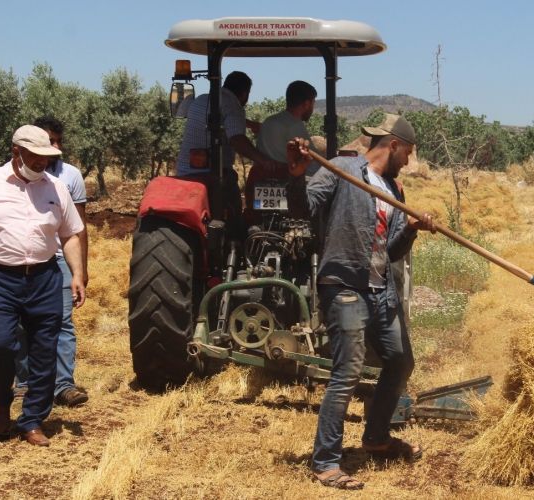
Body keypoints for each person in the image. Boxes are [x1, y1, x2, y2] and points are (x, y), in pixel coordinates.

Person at [286, 114, 436, 490]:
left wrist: (413, 230)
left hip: (379, 290)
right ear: (394, 145)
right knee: (348, 370)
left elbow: (394, 250)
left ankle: (376, 438)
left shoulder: (394, 191)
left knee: (401, 361)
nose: (407, 161)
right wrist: (295, 175)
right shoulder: (340, 169)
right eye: (408, 154)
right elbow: (302, 209)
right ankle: (326, 462)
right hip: (344, 284)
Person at [0, 125, 86, 447]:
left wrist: (77, 274)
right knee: (0, 344)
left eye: (47, 157)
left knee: (44, 350)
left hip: (44, 278)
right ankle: (1, 405)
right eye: (36, 156)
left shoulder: (56, 187)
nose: (43, 162)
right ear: (17, 152)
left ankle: (31, 420)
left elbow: (70, 234)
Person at [12, 116, 90, 407]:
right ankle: (24, 383)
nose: (54, 146)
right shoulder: (15, 176)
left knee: (63, 322)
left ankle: (63, 385)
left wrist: (81, 268)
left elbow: (79, 226)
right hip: (25, 261)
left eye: (58, 140)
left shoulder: (71, 176)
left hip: (60, 260)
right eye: (49, 141)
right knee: (23, 323)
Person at [176, 70, 277, 229]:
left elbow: (220, 117)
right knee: (235, 213)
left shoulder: (202, 99)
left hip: (184, 174)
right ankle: (236, 242)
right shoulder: (233, 105)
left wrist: (250, 124)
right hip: (214, 176)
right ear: (245, 93)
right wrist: (263, 160)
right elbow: (237, 140)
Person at [244, 80, 320, 222]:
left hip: (259, 179)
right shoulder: (294, 126)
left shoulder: (269, 121)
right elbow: (311, 162)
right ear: (307, 103)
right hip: (285, 182)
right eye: (313, 103)